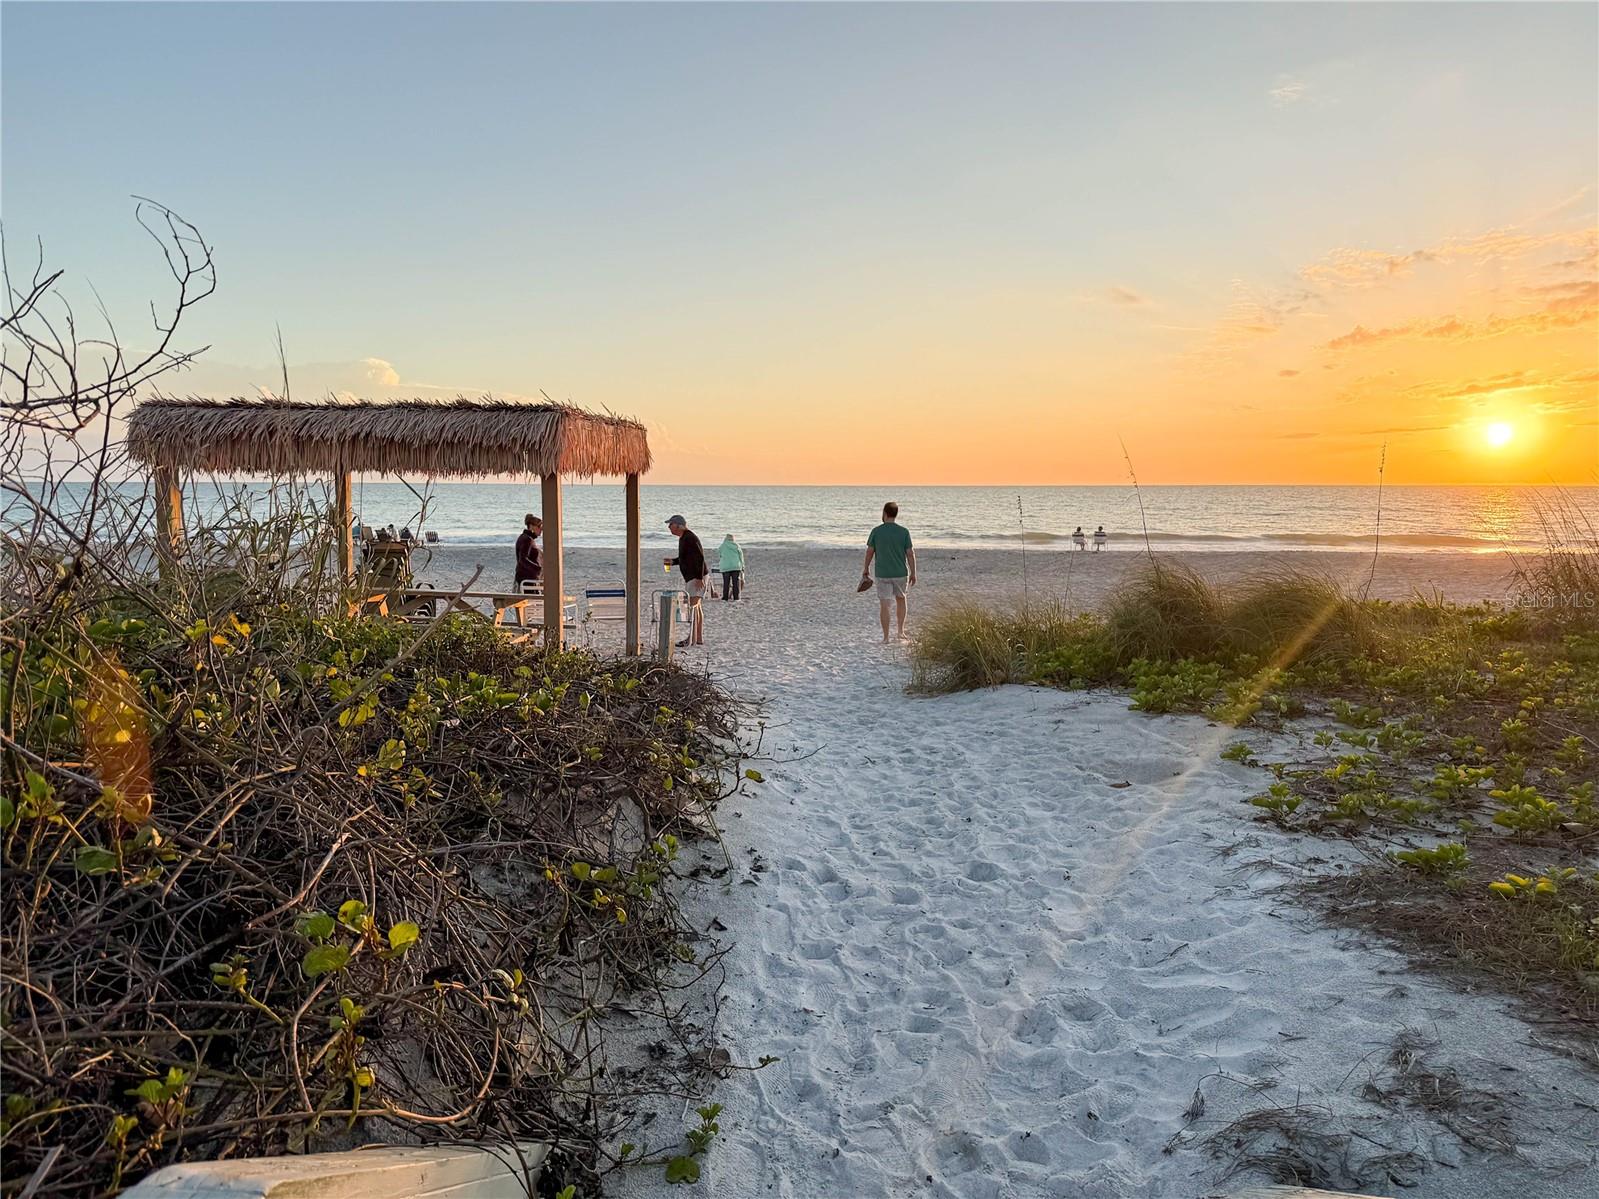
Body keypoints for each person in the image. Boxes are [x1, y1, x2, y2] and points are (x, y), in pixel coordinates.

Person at [862, 502, 916, 643]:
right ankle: (900, 632)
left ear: (884, 513)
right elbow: (910, 554)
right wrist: (913, 572)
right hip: (900, 573)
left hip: (882, 573)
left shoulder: (876, 531)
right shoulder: (904, 532)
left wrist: (866, 568)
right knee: (901, 600)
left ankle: (886, 637)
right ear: (896, 514)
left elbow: (869, 552)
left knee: (885, 605)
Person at [664, 515, 708, 646]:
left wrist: (699, 577)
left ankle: (692, 638)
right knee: (697, 607)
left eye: (670, 524)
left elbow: (699, 556)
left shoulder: (689, 537)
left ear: (678, 525)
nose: (669, 527)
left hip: (696, 577)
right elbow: (685, 558)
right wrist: (673, 562)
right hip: (693, 576)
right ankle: (697, 638)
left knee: (693, 607)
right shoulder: (684, 538)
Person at [515, 513, 543, 589]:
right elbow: (523, 559)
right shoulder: (527, 539)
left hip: (527, 577)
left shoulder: (526, 538)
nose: (541, 530)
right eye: (539, 527)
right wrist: (538, 568)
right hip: (527, 578)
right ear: (531, 526)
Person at [718, 534, 746, 601]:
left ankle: (725, 597)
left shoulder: (722, 546)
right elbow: (741, 557)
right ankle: (736, 597)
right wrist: (743, 566)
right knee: (735, 583)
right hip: (736, 566)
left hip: (725, 567)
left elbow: (720, 554)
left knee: (726, 583)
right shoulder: (736, 545)